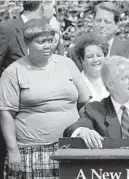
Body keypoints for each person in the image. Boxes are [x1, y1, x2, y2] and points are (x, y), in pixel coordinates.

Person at [0, 18, 90, 178]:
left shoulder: (67, 64)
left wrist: (87, 131)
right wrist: (13, 149)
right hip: (32, 152)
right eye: (41, 42)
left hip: (71, 147)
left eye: (50, 40)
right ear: (27, 43)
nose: (48, 45)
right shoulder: (13, 72)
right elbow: (6, 113)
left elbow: (84, 103)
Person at [0, 1, 55, 178]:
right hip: (12, 113)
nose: (54, 10)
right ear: (43, 5)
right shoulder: (7, 28)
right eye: (53, 4)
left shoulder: (49, 28)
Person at [68, 2, 129, 71]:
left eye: (107, 22)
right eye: (98, 20)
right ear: (93, 21)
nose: (102, 25)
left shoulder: (128, 50)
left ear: (116, 25)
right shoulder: (75, 52)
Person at [73, 32, 109, 102]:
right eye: (90, 56)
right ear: (82, 59)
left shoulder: (113, 80)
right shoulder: (76, 85)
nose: (95, 60)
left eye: (99, 55)